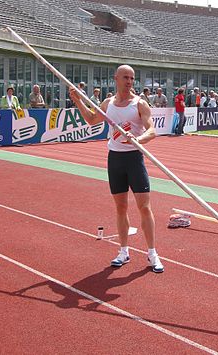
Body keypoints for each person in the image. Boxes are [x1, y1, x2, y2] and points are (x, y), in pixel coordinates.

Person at [69, 64, 164, 273]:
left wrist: (138, 139)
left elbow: (152, 130)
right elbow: (92, 120)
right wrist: (77, 101)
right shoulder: (108, 103)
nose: (129, 81)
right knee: (121, 208)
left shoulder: (140, 104)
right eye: (126, 77)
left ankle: (152, 253)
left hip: (134, 159)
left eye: (132, 78)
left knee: (144, 207)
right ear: (116, 79)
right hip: (115, 160)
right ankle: (123, 251)